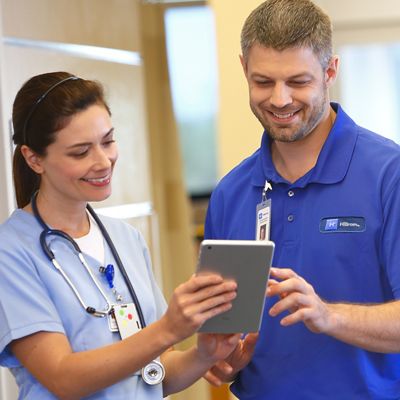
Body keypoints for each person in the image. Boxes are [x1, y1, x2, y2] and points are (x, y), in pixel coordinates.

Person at [0, 71, 241, 400]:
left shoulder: (124, 239)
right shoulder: (11, 252)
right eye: (80, 152)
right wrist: (168, 328)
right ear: (34, 158)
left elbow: (155, 373)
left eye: (108, 141)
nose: (103, 161)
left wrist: (204, 355)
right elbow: (62, 378)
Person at [203, 0, 400, 398]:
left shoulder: (388, 175)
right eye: (263, 82)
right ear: (244, 68)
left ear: (330, 71)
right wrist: (223, 359)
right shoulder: (231, 193)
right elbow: (223, 337)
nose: (279, 100)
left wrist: (329, 316)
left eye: (298, 82)